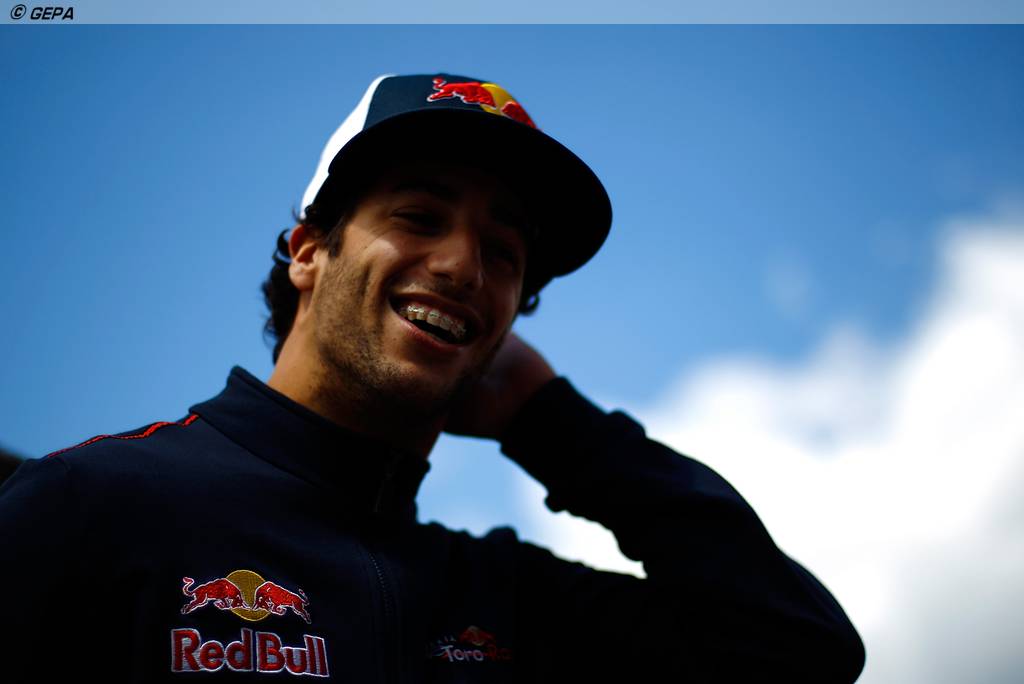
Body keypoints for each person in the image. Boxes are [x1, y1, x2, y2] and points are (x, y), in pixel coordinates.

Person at [0, 73, 865, 682]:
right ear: (308, 251)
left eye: (503, 253)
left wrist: (556, 425)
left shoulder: (510, 602)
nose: (462, 267)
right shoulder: (92, 505)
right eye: (419, 216)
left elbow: (798, 649)